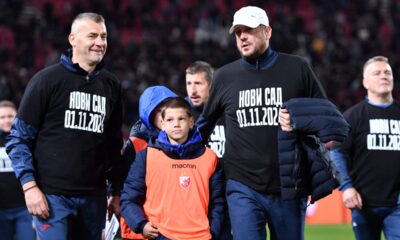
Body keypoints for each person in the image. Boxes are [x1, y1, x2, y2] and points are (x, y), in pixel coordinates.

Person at [197, 6, 326, 240]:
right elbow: (203, 126)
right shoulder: (225, 76)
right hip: (241, 186)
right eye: (238, 32)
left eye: (249, 30)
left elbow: (324, 116)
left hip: (288, 187)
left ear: (267, 31)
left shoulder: (297, 68)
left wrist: (299, 121)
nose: (242, 37)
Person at [5, 12, 123, 239]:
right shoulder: (46, 80)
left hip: (94, 199)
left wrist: (115, 191)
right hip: (52, 198)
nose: (100, 43)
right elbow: (18, 138)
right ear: (73, 39)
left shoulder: (111, 85)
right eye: (92, 36)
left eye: (104, 36)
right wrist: (30, 187)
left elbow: (112, 146)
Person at [121, 97, 224, 240]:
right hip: (160, 235)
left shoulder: (210, 157)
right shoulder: (146, 156)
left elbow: (218, 203)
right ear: (162, 124)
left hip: (201, 236)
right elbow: (128, 199)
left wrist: (213, 232)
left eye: (181, 119)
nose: (176, 124)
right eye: (170, 120)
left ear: (191, 122)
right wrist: (141, 225)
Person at [330, 56, 400, 240]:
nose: (383, 76)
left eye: (387, 72)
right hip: (363, 203)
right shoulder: (351, 117)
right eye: (376, 73)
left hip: (398, 204)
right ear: (365, 82)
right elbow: (337, 153)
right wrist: (346, 187)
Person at [120, 85, 177, 240]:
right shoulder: (136, 145)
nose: (165, 114)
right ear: (149, 115)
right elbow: (126, 193)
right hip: (142, 229)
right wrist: (140, 223)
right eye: (159, 110)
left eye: (169, 108)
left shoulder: (183, 142)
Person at [0, 100, 35, 240]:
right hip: (1, 209)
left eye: (10, 116)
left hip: (25, 208)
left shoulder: (28, 140)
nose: (7, 120)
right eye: (2, 117)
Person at [185, 61, 225, 158]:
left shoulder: (226, 109)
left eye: (198, 84)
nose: (193, 91)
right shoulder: (181, 113)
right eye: (189, 84)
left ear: (212, 85)